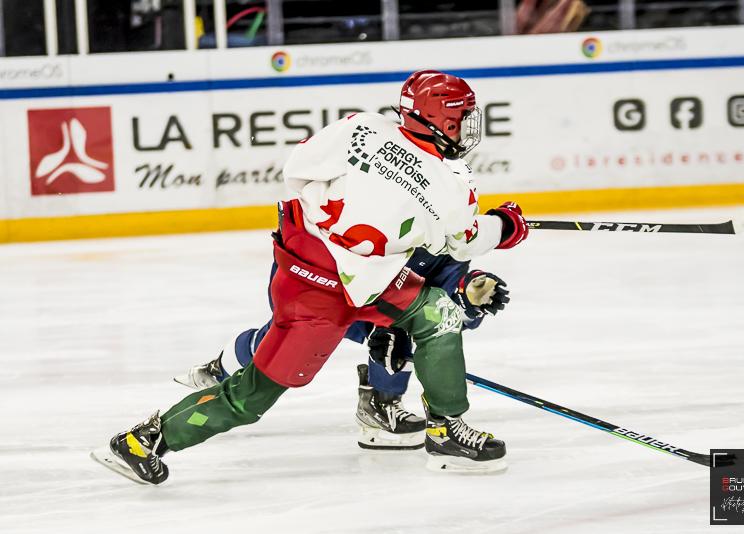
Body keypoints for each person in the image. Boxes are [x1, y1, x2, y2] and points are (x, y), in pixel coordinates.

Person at [92, 69, 529, 484]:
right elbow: (463, 240)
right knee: (255, 394)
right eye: (461, 117)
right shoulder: (451, 182)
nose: (467, 127)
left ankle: (444, 428)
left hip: (307, 265)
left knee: (436, 314)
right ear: (443, 119)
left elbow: (298, 168)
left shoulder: (362, 126)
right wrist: (506, 226)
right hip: (327, 291)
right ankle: (142, 440)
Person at [174, 249, 511, 451]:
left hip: (379, 301)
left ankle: (380, 405)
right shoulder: (378, 207)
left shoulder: (444, 229)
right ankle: (224, 368)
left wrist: (468, 297)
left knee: (401, 336)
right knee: (282, 349)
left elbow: (443, 309)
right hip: (321, 286)